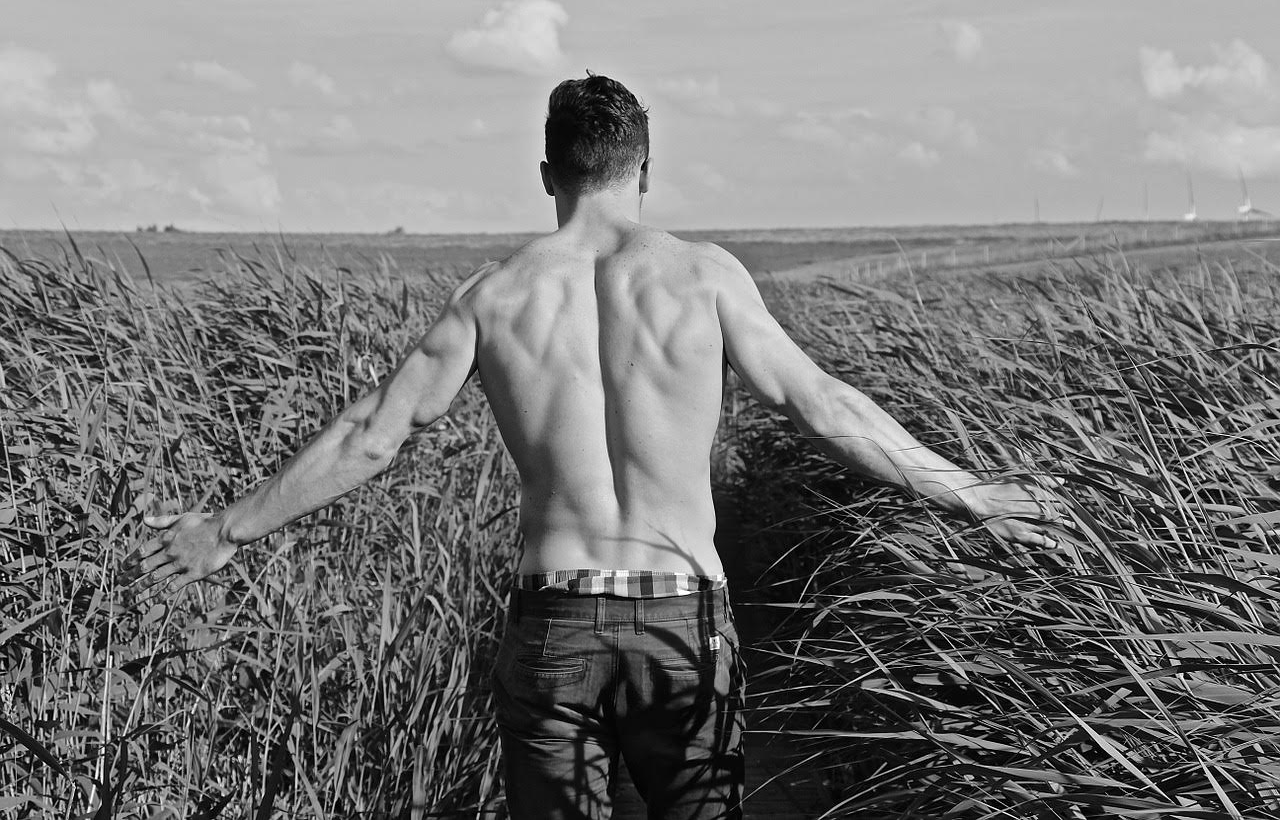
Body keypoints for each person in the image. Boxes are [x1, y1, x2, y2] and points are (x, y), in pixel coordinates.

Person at [127, 73, 1065, 819]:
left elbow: (374, 434)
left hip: (556, 625)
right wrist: (972, 492)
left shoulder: (494, 299)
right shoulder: (703, 278)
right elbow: (818, 403)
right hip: (681, 621)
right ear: (643, 172)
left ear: (547, 175)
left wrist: (229, 529)